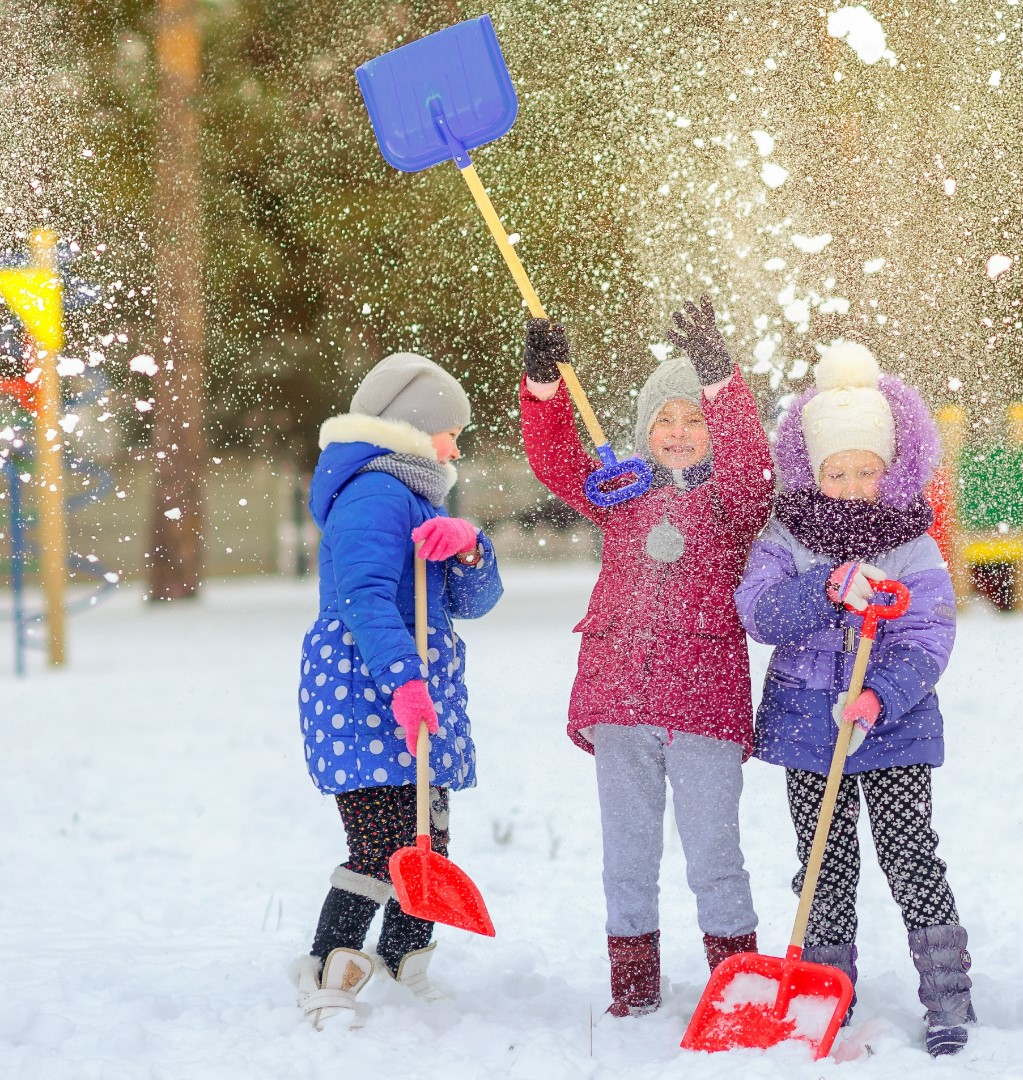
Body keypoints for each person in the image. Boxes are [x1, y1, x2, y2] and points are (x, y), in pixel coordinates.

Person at [519, 298, 773, 1017]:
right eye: (666, 418)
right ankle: (632, 991)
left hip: (703, 705)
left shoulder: (733, 503)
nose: (680, 431)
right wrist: (544, 388)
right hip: (620, 701)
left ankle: (741, 987)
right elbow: (556, 461)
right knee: (626, 857)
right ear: (642, 431)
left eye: (694, 419)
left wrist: (722, 380)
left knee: (714, 858)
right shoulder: (619, 494)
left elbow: (754, 466)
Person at [734, 341, 975, 1056]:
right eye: (835, 470)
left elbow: (930, 634)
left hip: (892, 731)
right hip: (809, 731)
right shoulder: (786, 535)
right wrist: (826, 587)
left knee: (910, 856)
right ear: (812, 468)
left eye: (865, 470)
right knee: (822, 864)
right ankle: (825, 992)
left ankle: (947, 999)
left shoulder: (912, 546)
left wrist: (879, 696)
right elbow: (759, 613)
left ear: (891, 467)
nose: (849, 484)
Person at [294, 351, 503, 1029]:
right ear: (416, 426)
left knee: (425, 836)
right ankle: (328, 962)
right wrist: (404, 680)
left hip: (413, 688)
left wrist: (471, 547)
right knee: (382, 842)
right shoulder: (373, 492)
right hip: (365, 691)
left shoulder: (418, 493)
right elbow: (363, 598)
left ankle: (404, 957)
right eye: (451, 429)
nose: (458, 444)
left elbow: (475, 601)